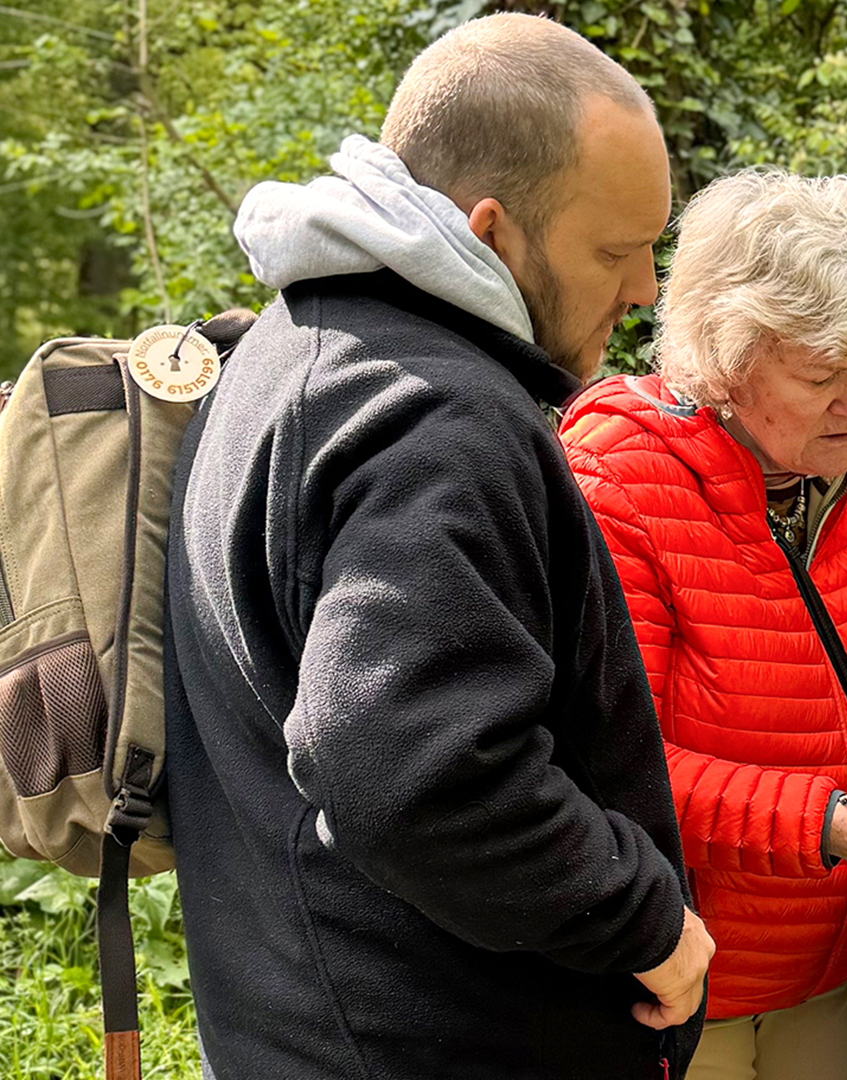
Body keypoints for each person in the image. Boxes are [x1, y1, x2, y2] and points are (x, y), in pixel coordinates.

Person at [165, 15, 710, 1079]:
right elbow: (409, 772)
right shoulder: (438, 420)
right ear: (494, 229)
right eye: (616, 250)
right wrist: (645, 919)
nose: (644, 287)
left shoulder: (290, 351)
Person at [559, 168, 847, 1080]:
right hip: (678, 975)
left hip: (834, 959)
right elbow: (608, 766)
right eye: (822, 374)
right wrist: (831, 825)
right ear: (725, 356)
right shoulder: (615, 484)